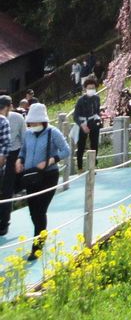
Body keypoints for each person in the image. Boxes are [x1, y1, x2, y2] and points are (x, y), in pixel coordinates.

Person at [15, 103, 70, 260]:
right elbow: (23, 151)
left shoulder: (53, 132)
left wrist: (50, 160)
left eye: (35, 121)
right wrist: (19, 160)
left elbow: (66, 150)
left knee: (40, 210)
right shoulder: (28, 134)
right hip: (31, 176)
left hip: (48, 176)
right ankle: (41, 235)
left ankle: (37, 247)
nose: (32, 124)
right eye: (30, 122)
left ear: (42, 120)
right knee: (33, 212)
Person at [0, 95, 25, 236]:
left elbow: (24, 139)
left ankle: (4, 222)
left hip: (13, 155)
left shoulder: (18, 118)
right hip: (1, 155)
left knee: (7, 189)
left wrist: (20, 159)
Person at [72, 76, 103, 171]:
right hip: (83, 123)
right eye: (89, 88)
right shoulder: (81, 100)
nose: (91, 90)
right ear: (85, 89)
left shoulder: (97, 98)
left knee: (94, 144)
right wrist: (82, 125)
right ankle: (80, 167)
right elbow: (75, 116)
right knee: (81, 146)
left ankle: (93, 166)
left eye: (93, 88)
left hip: (93, 121)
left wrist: (99, 119)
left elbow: (97, 111)